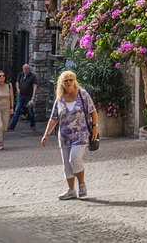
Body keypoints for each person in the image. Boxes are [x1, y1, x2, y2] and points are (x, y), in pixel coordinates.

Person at [40, 70, 98, 200]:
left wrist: (95, 127)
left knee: (74, 158)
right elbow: (53, 118)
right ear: (61, 83)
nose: (68, 82)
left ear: (74, 81)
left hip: (81, 134)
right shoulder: (59, 99)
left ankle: (82, 184)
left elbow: (93, 111)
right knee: (67, 164)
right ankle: (71, 190)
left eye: (70, 80)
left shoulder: (82, 94)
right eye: (65, 80)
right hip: (65, 137)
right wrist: (46, 134)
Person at [10, 63, 38, 130]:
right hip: (21, 95)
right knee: (17, 110)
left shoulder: (33, 76)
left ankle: (32, 125)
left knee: (30, 111)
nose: (25, 70)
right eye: (24, 69)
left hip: (29, 95)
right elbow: (17, 83)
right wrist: (18, 89)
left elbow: (35, 86)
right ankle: (12, 126)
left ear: (29, 69)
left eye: (26, 69)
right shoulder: (20, 74)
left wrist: (33, 96)